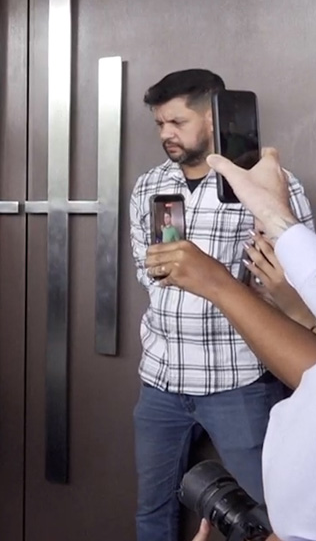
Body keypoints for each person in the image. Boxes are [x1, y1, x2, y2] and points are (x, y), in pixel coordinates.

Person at [128, 69, 313, 541]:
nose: (166, 133)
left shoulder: (266, 184)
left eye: (177, 122)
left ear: (213, 117)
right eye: (159, 124)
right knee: (152, 512)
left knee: (276, 514)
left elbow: (298, 279)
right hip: (161, 380)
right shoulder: (149, 185)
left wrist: (240, 285)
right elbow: (145, 270)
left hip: (238, 381)